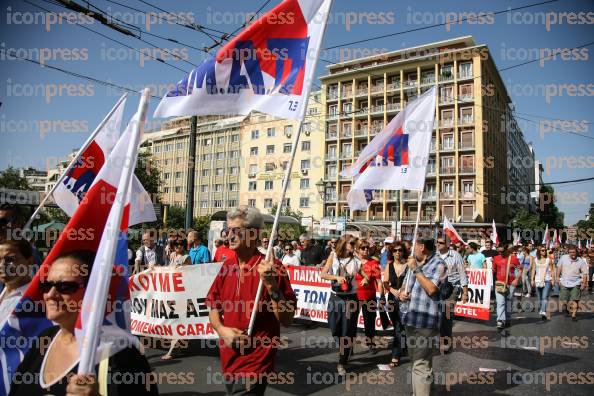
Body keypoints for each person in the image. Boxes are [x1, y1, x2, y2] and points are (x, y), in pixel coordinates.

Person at [9, 250, 157, 395]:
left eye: (65, 286)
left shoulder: (121, 351)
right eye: (46, 285)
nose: (50, 295)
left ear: (93, 291)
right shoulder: (45, 339)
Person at [206, 206, 296, 395]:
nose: (229, 236)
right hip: (228, 357)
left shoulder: (273, 268)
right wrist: (222, 330)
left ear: (254, 234)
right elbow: (213, 304)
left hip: (255, 361)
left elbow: (286, 319)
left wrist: (271, 285)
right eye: (228, 230)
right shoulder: (227, 266)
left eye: (236, 231)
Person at [399, 238, 446, 396]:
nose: (411, 251)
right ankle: (424, 391)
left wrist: (416, 270)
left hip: (426, 322)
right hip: (411, 319)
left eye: (414, 248)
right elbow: (406, 287)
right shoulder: (415, 264)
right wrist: (402, 294)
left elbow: (432, 289)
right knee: (418, 362)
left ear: (422, 247)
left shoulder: (439, 265)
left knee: (420, 364)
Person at [321, 235, 369, 376]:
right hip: (335, 298)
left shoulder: (356, 260)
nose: (354, 246)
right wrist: (336, 277)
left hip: (351, 299)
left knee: (347, 331)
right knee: (334, 328)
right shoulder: (334, 256)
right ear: (344, 243)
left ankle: (342, 361)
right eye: (352, 243)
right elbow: (323, 274)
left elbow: (364, 274)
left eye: (355, 244)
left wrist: (365, 279)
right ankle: (345, 346)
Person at [160, 240, 191, 361]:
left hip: (182, 294)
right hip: (172, 294)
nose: (178, 246)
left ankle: (172, 351)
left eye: (180, 244)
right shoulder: (172, 256)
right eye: (176, 244)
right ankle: (180, 345)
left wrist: (181, 269)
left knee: (179, 321)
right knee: (175, 321)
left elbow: (190, 275)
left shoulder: (186, 257)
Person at [437, 237, 468, 354]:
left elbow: (462, 274)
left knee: (447, 316)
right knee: (438, 316)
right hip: (438, 289)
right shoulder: (435, 256)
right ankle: (439, 339)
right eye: (437, 242)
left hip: (452, 289)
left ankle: (446, 343)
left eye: (441, 242)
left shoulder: (456, 256)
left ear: (448, 244)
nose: (438, 244)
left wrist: (465, 292)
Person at [354, 239, 384, 350]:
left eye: (367, 248)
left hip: (369, 296)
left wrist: (381, 296)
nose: (366, 250)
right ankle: (349, 345)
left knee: (370, 321)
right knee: (351, 322)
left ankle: (370, 341)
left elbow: (379, 282)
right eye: (363, 248)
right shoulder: (353, 262)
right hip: (354, 296)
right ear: (357, 250)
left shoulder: (374, 263)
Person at [383, 241, 408, 367]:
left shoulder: (409, 265)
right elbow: (385, 282)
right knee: (397, 327)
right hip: (392, 299)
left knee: (402, 328)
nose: (397, 252)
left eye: (400, 250)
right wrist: (394, 291)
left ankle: (395, 356)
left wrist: (403, 292)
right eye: (395, 250)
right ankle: (401, 349)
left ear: (404, 252)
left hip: (406, 300)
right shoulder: (389, 265)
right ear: (391, 253)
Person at [0, 239, 34, 327]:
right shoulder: (2, 291)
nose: (2, 265)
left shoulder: (36, 300)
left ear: (29, 262)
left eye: (10, 259)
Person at [492, 243, 522, 335]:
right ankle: (500, 320)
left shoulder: (513, 258)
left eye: (501, 251)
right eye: (498, 251)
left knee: (509, 301)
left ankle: (508, 318)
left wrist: (516, 279)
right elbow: (493, 270)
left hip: (511, 284)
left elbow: (520, 269)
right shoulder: (496, 258)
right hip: (500, 284)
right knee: (501, 302)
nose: (500, 253)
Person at [556, 246, 589, 321]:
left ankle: (574, 315)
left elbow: (585, 273)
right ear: (568, 252)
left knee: (575, 299)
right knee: (564, 300)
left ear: (576, 252)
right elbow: (559, 267)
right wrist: (557, 277)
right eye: (570, 252)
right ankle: (568, 307)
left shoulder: (581, 261)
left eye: (573, 252)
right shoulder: (563, 258)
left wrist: (584, 283)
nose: (572, 254)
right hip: (564, 282)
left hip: (576, 283)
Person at [531, 245, 555, 320]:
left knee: (545, 297)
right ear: (539, 251)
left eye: (545, 250)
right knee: (540, 298)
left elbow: (552, 270)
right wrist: (532, 279)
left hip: (547, 280)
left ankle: (542, 310)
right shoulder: (535, 260)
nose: (544, 252)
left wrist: (553, 279)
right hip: (538, 280)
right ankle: (543, 311)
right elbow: (533, 270)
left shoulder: (548, 260)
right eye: (542, 250)